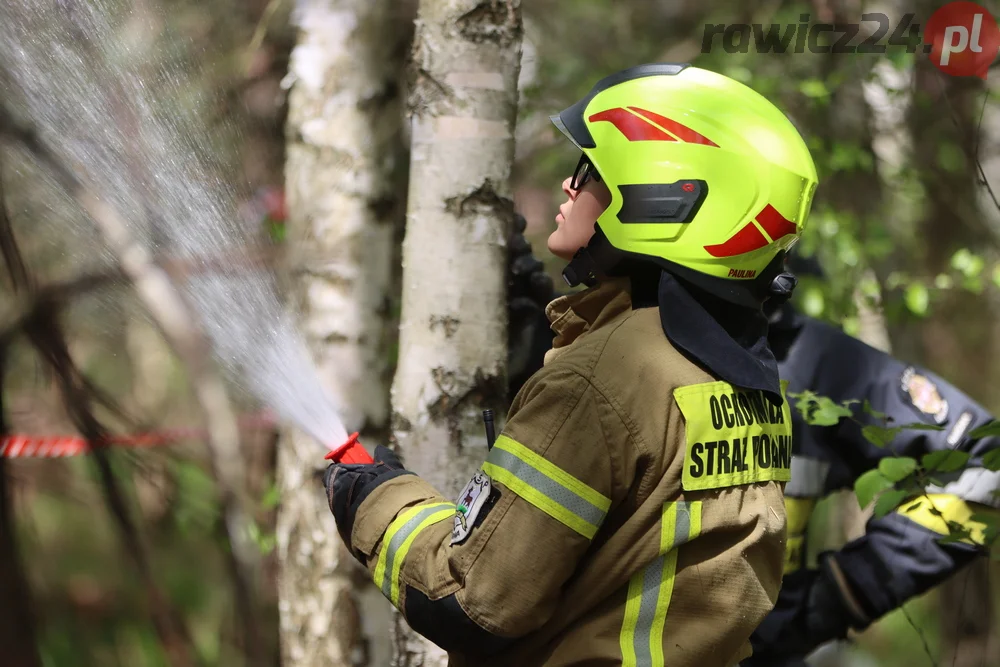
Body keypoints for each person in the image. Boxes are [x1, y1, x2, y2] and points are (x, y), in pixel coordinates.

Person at [323, 63, 818, 666]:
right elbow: (641, 521)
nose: (566, 185)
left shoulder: (596, 381)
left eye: (590, 172)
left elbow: (475, 602)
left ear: (662, 199)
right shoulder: (746, 379)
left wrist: (374, 498)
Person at [508, 247, 1000, 667]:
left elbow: (987, 461)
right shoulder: (605, 345)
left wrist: (841, 593)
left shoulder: (819, 362)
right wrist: (523, 364)